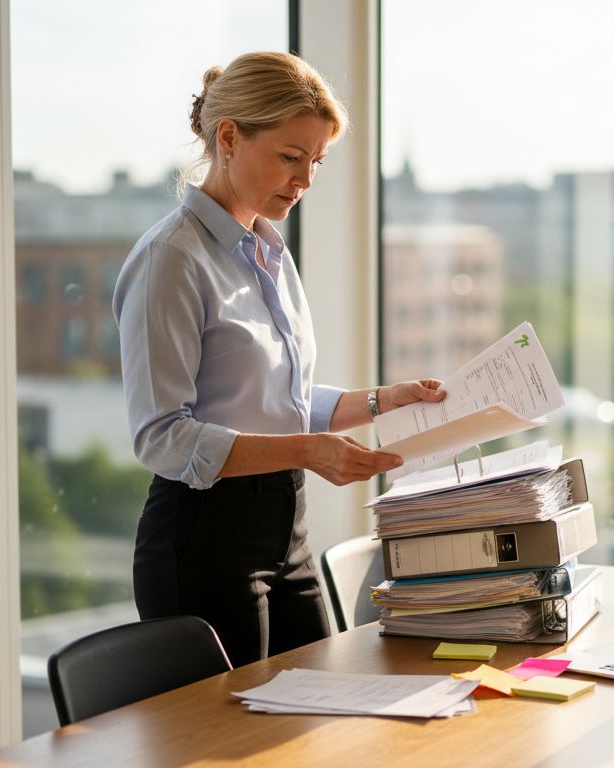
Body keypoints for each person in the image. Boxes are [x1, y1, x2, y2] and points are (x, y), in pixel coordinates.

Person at [112, 51, 444, 668]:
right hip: (203, 539)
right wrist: (308, 451)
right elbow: (162, 435)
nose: (307, 179)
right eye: (291, 157)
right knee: (235, 751)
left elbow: (276, 404)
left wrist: (377, 402)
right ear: (230, 138)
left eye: (315, 161)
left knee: (315, 719)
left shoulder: (267, 252)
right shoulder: (172, 259)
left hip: (286, 530)